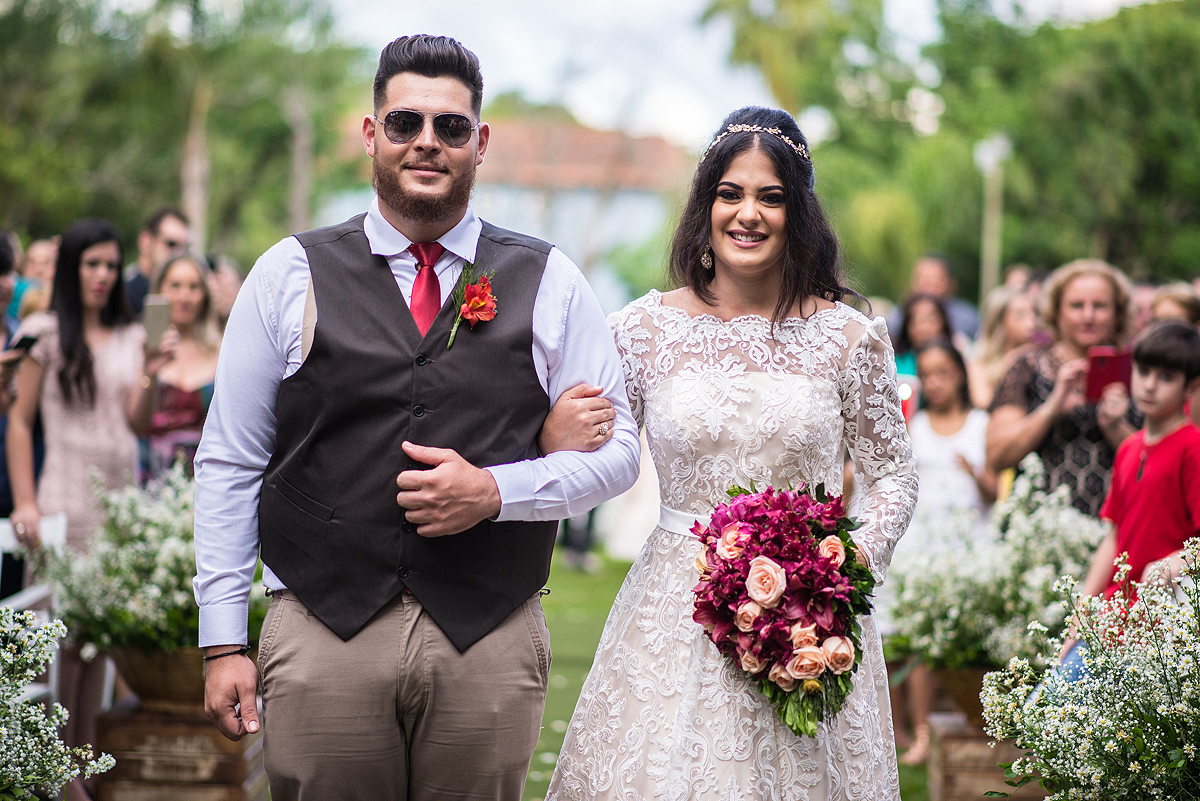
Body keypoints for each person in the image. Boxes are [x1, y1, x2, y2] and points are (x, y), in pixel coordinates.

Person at [193, 34, 640, 801]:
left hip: (488, 632)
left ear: (481, 141)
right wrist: (222, 639)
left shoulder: (550, 280)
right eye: (405, 123)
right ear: (372, 133)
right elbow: (231, 460)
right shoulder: (288, 273)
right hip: (322, 625)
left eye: (451, 126)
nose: (427, 142)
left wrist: (497, 490)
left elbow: (620, 452)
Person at [544, 106, 918, 800]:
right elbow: (588, 444)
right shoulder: (641, 331)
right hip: (673, 607)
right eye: (731, 193)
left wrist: (848, 562)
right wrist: (553, 431)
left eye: (771, 197)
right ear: (706, 204)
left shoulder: (848, 337)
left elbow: (892, 471)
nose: (748, 213)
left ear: (798, 213)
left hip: (808, 615)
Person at [7, 219, 167, 801]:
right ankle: (51, 778)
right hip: (62, 502)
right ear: (73, 269)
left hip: (117, 506)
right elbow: (20, 424)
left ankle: (80, 771)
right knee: (56, 648)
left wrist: (151, 363)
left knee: (96, 645)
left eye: (110, 264)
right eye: (91, 264)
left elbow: (140, 422)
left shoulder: (130, 336)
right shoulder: (43, 333)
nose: (102, 275)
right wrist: (25, 499)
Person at [1059, 320, 1200, 665]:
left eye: (1166, 377)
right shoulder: (1128, 447)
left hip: (1161, 624)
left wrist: (1169, 565)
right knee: (1047, 703)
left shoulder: (1192, 447)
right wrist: (1081, 612)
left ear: (1191, 387)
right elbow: (1114, 535)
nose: (1150, 385)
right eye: (1144, 371)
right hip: (1111, 614)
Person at [885, 339, 994, 765]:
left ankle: (940, 727)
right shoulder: (916, 424)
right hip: (921, 540)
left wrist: (975, 473)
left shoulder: (981, 424)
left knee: (943, 640)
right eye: (926, 375)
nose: (933, 383)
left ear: (961, 374)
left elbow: (994, 491)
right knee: (905, 636)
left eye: (942, 373)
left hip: (965, 540)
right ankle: (906, 730)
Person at [986, 259, 1138, 516]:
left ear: (1118, 314)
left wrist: (1116, 427)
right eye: (1076, 306)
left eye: (1099, 306)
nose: (1088, 316)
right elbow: (998, 457)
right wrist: (1051, 409)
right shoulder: (1028, 366)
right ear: (1056, 311)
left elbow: (1161, 466)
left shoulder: (1139, 372)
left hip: (1115, 532)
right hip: (1035, 529)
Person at [137, 254, 219, 478]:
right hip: (153, 473)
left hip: (208, 476)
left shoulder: (222, 350)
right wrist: (149, 373)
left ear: (205, 294)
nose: (185, 296)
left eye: (194, 287)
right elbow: (137, 422)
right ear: (159, 290)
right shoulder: (142, 346)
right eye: (175, 285)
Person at [969, 285, 1037, 409]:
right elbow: (983, 402)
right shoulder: (978, 360)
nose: (1031, 322)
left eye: (1034, 313)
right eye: (1021, 314)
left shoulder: (1040, 356)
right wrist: (1012, 360)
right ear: (999, 320)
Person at [888, 254, 980, 340]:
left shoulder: (967, 319)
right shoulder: (898, 317)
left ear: (951, 283)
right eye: (924, 280)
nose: (929, 288)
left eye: (936, 280)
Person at [123, 208, 191, 316]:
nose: (179, 254)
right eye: (171, 244)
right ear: (145, 241)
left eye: (185, 248)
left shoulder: (190, 296)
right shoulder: (123, 292)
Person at [893, 292, 954, 377]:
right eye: (916, 321)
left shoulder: (958, 360)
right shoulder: (893, 364)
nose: (923, 328)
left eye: (930, 320)